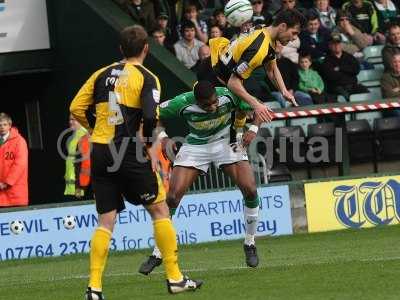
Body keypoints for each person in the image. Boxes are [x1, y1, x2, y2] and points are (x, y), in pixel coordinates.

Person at [70, 25, 202, 300]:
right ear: (146, 49)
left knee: (106, 220)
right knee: (160, 210)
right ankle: (175, 278)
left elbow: (75, 108)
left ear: (120, 49)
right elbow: (151, 115)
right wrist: (150, 145)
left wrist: (94, 129)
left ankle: (93, 288)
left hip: (100, 151)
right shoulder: (147, 77)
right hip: (129, 150)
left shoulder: (100, 74)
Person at [139, 81, 263, 275]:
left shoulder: (228, 94)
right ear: (197, 101)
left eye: (214, 102)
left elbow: (257, 106)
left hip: (227, 142)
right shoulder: (181, 103)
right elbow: (152, 115)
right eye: (207, 105)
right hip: (195, 147)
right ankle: (158, 252)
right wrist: (163, 138)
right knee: (172, 198)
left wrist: (253, 129)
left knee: (250, 189)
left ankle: (250, 243)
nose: (213, 107)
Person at [208, 9, 305, 122]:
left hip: (223, 68)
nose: (294, 38)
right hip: (214, 78)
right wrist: (256, 105)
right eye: (294, 33)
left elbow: (272, 69)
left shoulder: (264, 30)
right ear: (282, 26)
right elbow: (233, 83)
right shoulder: (258, 50)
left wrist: (284, 91)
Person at [319, 32, 369, 99]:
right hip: (337, 88)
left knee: (365, 93)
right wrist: (348, 71)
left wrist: (340, 68)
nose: (337, 46)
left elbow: (356, 69)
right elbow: (331, 76)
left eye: (338, 43)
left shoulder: (349, 57)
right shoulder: (326, 61)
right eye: (334, 44)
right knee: (347, 98)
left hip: (353, 85)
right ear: (329, 45)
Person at [270, 42, 313, 106]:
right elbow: (269, 80)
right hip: (277, 92)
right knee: (282, 99)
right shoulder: (268, 62)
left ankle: (309, 115)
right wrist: (282, 91)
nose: (279, 46)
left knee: (306, 97)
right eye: (276, 44)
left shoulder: (288, 61)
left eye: (280, 44)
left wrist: (292, 89)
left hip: (291, 91)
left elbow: (296, 77)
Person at [0, 113, 28, 207]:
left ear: (10, 125)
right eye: (0, 125)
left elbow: (20, 164)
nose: (2, 127)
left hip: (15, 192)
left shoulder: (19, 141)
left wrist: (7, 182)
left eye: (5, 124)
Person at [64, 115, 91, 200]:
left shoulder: (84, 137)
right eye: (70, 119)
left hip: (82, 189)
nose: (70, 122)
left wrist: (80, 187)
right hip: (75, 187)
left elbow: (86, 164)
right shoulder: (76, 137)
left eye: (73, 120)